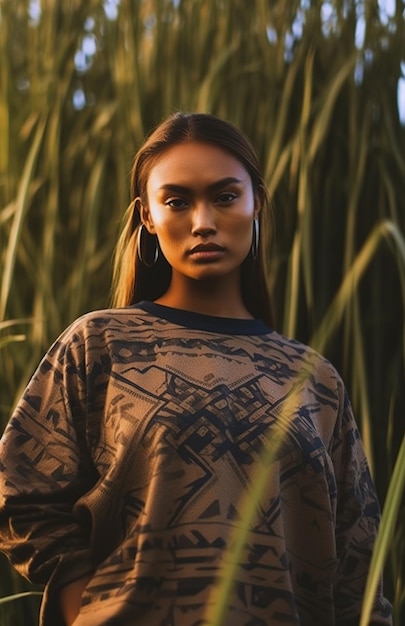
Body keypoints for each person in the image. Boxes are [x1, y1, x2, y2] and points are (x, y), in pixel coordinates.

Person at [0, 112, 392, 626]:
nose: (202, 221)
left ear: (255, 202)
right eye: (177, 201)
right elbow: (18, 495)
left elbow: (358, 568)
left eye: (225, 196)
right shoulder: (100, 345)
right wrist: (84, 608)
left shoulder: (314, 379)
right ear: (147, 215)